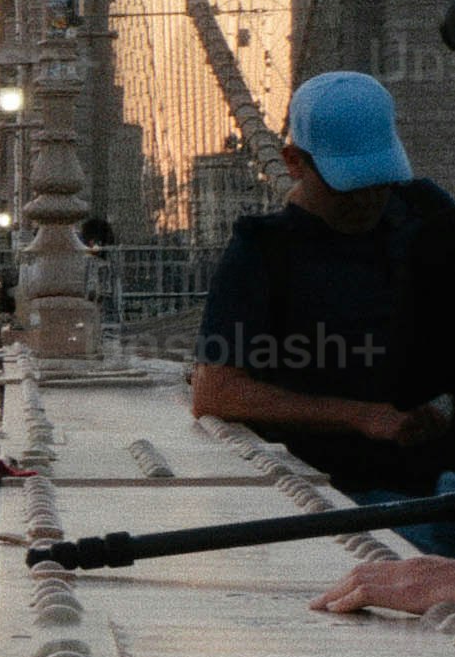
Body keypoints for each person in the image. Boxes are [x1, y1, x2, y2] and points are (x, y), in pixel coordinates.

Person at [191, 68, 455, 557]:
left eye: (378, 180)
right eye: (348, 185)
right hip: (359, 497)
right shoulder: (262, 252)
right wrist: (360, 417)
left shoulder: (428, 211)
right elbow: (216, 391)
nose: (368, 199)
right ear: (294, 162)